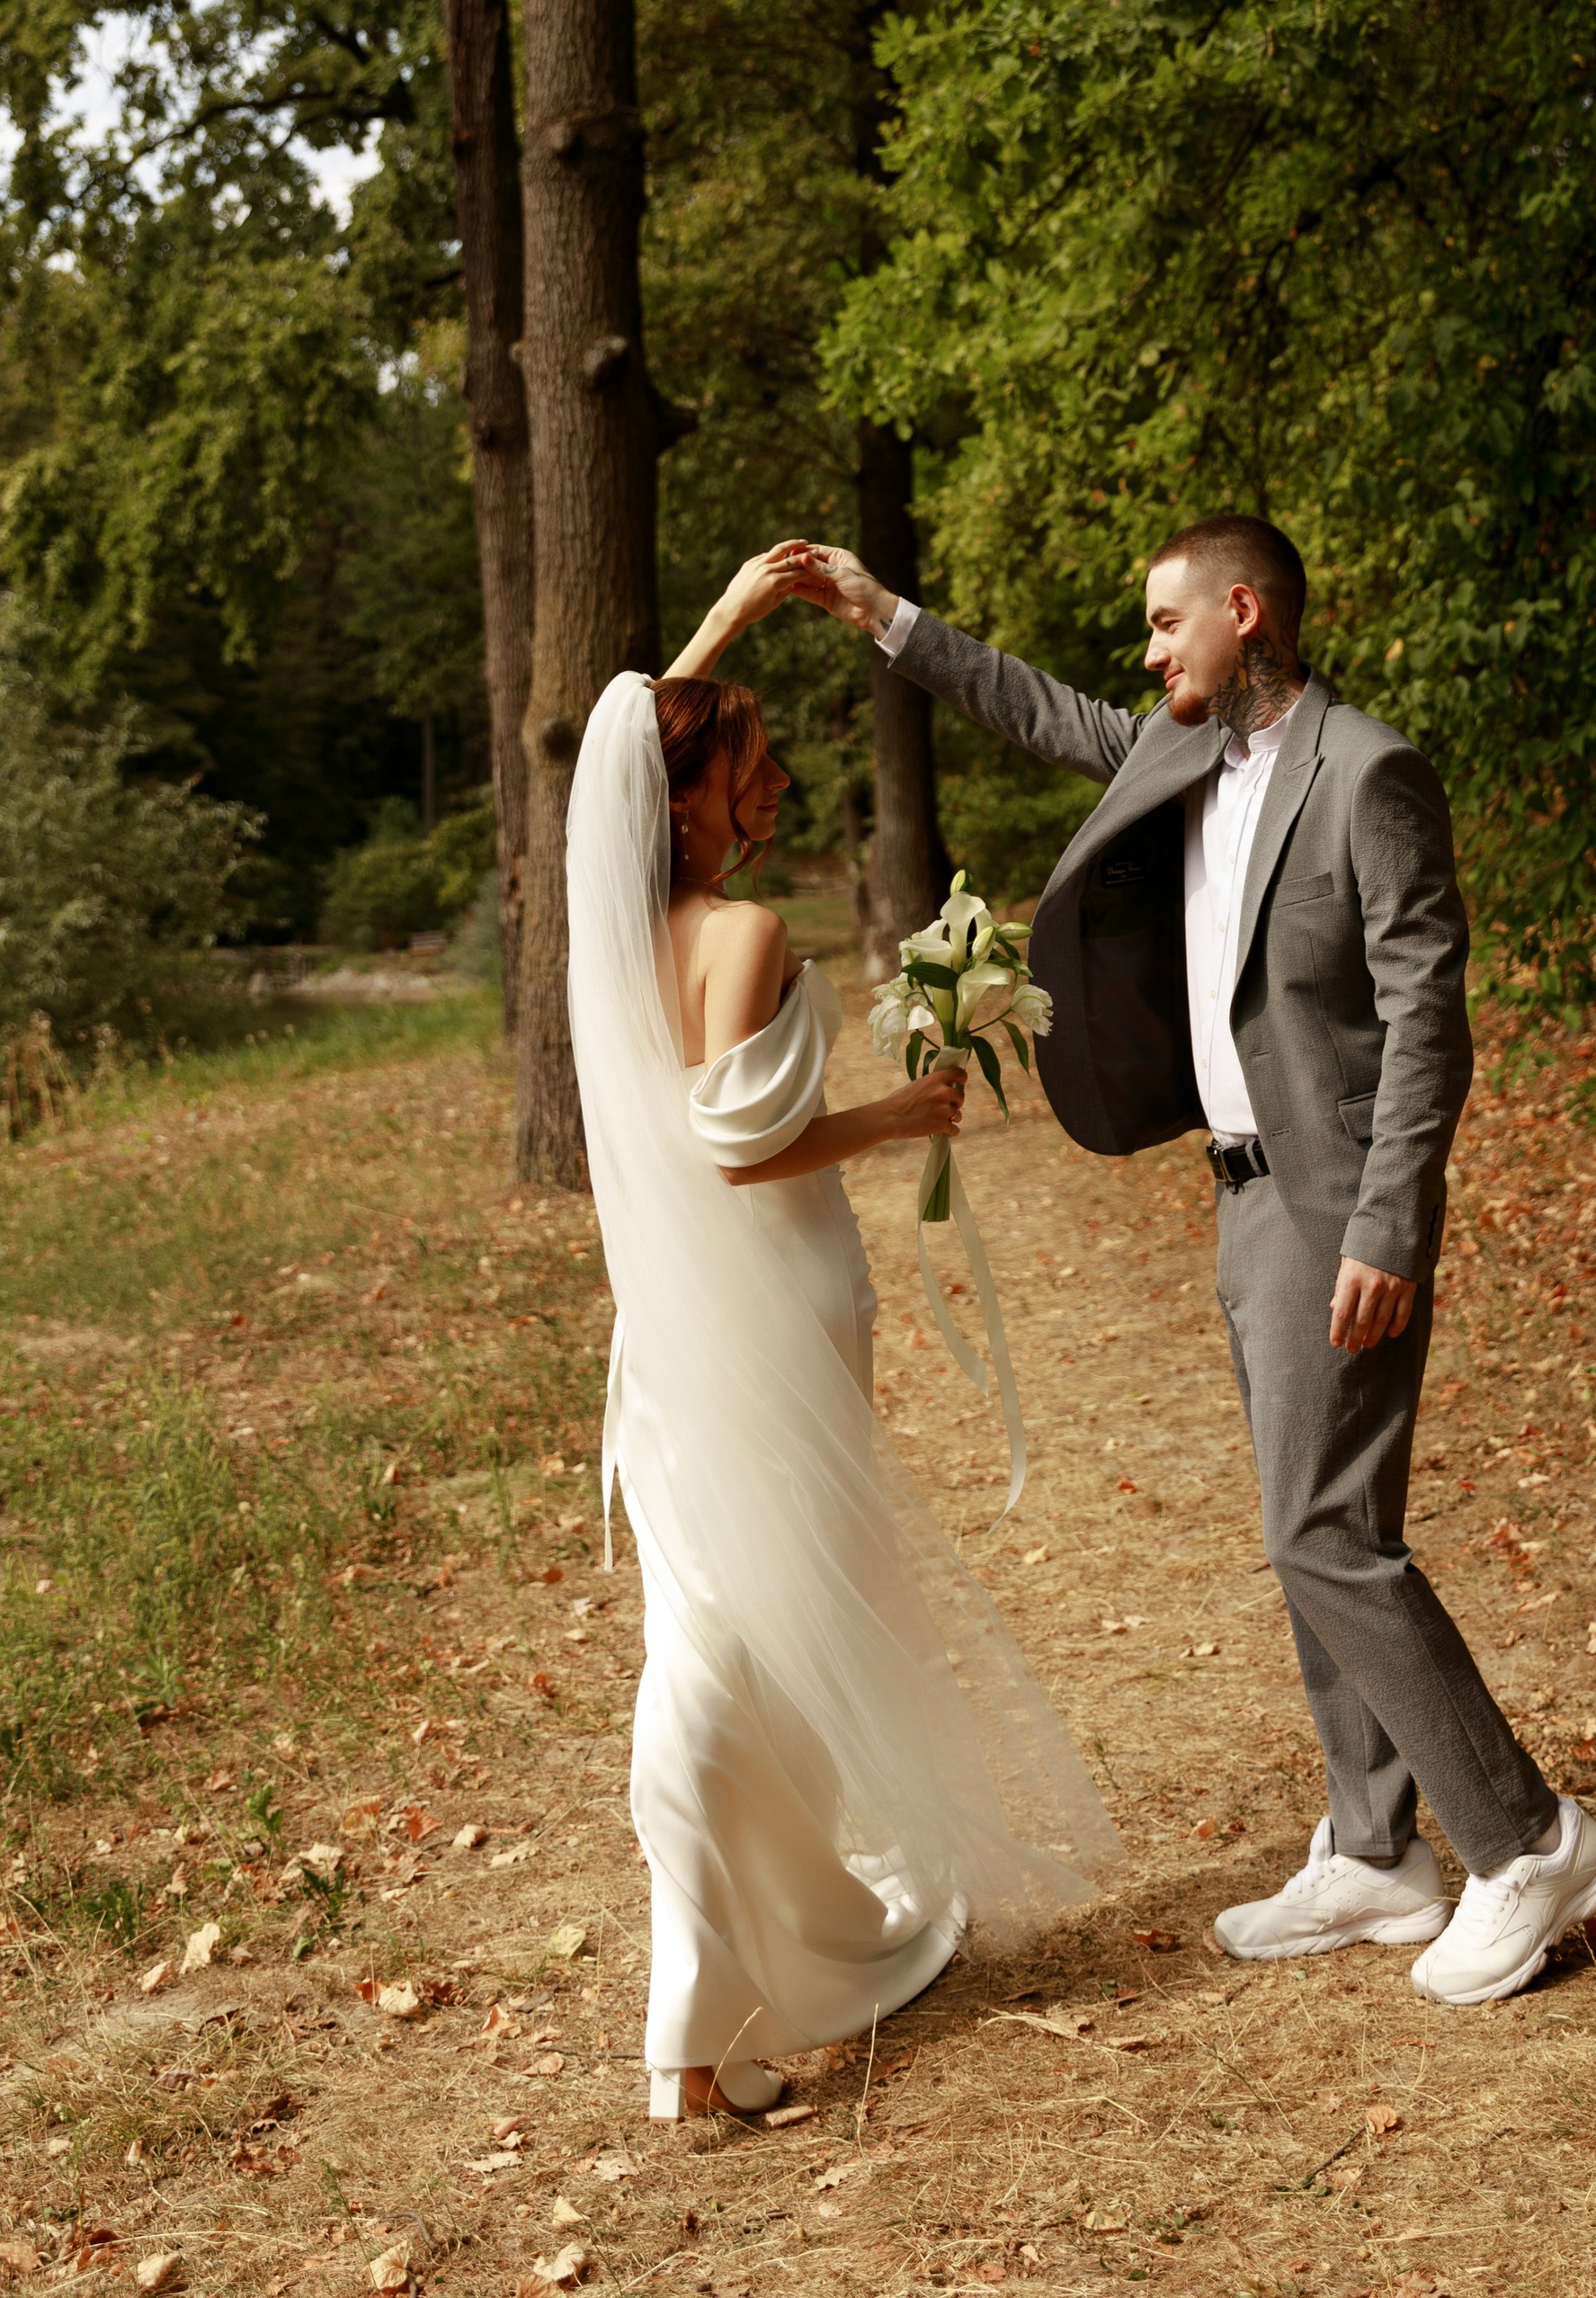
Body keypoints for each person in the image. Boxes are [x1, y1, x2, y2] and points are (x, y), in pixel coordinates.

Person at [784, 519, 1596, 2010]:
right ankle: (1376, 1854)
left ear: (1244, 614)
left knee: (1324, 1534)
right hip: (1238, 1204)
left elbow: (1429, 1019)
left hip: (1332, 1206)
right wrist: (883, 616)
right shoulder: (1180, 757)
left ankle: (1528, 1839)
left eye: (1170, 627)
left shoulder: (1367, 772)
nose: (1153, 655)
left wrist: (1388, 1223)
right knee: (1311, 1528)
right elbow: (1039, 707)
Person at [566, 550, 1119, 2123]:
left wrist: (735, 621)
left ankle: (726, 1987)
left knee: (718, 1625)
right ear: (694, 805)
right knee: (752, 1641)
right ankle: (705, 2004)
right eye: (751, 760)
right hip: (770, 1314)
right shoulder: (735, 940)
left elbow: (633, 752)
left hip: (671, 1341)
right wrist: (898, 1112)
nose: (778, 774)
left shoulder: (626, 945)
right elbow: (739, 1152)